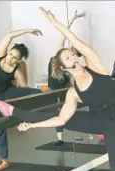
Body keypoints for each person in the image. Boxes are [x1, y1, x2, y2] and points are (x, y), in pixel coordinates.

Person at [0, 7, 115, 171]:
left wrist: (54, 23)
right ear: (64, 68)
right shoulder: (73, 92)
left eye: (73, 55)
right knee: (54, 114)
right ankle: (12, 110)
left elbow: (74, 40)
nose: (74, 58)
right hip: (96, 120)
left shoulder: (96, 67)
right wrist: (32, 125)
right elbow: (61, 120)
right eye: (68, 58)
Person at [0, 28, 43, 171]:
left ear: (19, 60)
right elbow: (9, 34)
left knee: (0, 128)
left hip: (4, 95)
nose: (10, 58)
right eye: (11, 54)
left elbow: (25, 88)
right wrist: (29, 31)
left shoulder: (16, 70)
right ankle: (5, 161)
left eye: (14, 58)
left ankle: (4, 160)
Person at [47, 10, 86, 146]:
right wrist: (74, 18)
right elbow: (64, 33)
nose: (71, 54)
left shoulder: (72, 65)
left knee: (65, 110)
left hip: (62, 88)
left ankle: (61, 137)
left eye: (73, 53)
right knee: (58, 111)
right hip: (54, 88)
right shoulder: (58, 55)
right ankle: (60, 138)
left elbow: (75, 78)